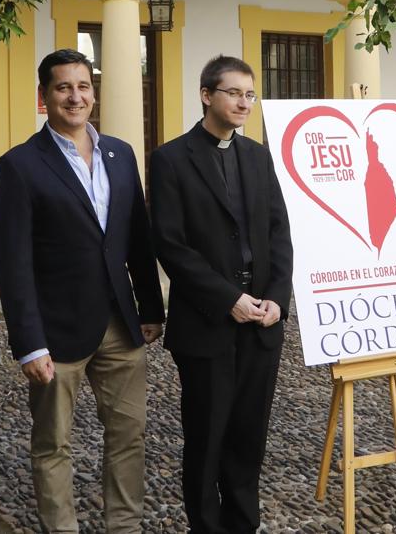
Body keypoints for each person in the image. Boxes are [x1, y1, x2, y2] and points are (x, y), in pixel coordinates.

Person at [0, 49, 164, 533]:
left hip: (121, 325)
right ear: (43, 96)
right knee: (53, 444)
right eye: (63, 87)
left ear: (94, 91)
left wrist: (150, 307)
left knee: (129, 436)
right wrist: (28, 342)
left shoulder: (120, 154)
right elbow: (13, 263)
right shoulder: (20, 165)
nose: (75, 96)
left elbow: (137, 237)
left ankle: (124, 527)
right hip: (56, 331)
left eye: (83, 86)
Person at [149, 55, 292, 534]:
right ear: (207, 95)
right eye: (234, 92)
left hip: (261, 323)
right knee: (207, 440)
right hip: (208, 323)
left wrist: (276, 297)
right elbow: (170, 244)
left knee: (248, 438)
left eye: (250, 94)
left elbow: (278, 233)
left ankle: (243, 525)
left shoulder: (258, 156)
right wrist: (228, 297)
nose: (243, 102)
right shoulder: (170, 159)